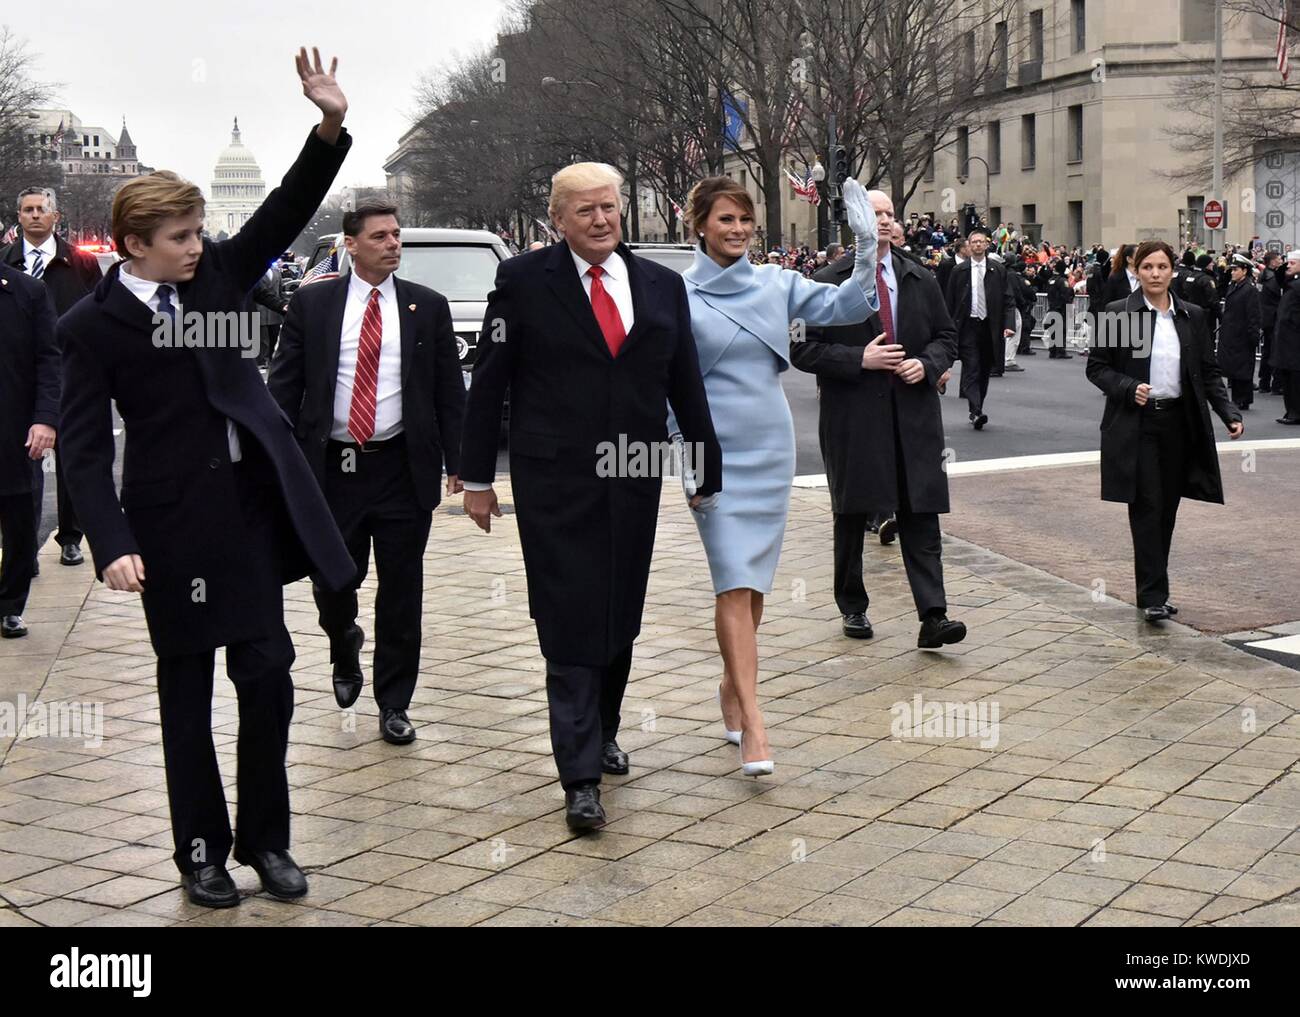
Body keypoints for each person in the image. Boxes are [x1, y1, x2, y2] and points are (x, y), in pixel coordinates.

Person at [57, 47, 356, 909]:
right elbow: (82, 449)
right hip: (169, 529)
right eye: (180, 238)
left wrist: (328, 125)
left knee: (267, 677)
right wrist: (110, 543)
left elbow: (284, 209)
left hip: (250, 514)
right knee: (187, 696)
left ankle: (270, 841)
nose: (198, 246)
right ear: (134, 246)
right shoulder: (93, 325)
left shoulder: (220, 274)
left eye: (198, 232)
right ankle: (201, 852)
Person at [457, 162, 721, 831]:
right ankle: (578, 777)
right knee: (570, 617)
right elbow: (490, 381)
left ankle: (602, 727)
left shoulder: (660, 285)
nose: (601, 220)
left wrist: (702, 460)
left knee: (618, 611)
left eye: (609, 207)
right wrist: (478, 478)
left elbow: (683, 379)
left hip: (633, 474)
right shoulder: (522, 283)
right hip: (554, 481)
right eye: (585, 212)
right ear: (558, 219)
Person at [674, 174, 882, 777]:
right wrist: (683, 453)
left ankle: (732, 689)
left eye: (745, 221)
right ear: (700, 226)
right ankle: (756, 722)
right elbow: (666, 385)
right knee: (732, 581)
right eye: (725, 220)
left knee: (753, 585)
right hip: (711, 450)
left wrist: (867, 249)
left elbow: (845, 304)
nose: (737, 231)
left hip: (770, 445)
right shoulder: (678, 295)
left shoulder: (775, 282)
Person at [268, 199, 466, 744]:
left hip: (401, 468)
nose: (392, 244)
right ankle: (342, 640)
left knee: (402, 590)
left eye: (396, 235)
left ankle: (395, 703)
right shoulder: (314, 305)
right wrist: (272, 457)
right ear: (350, 244)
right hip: (332, 469)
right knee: (334, 578)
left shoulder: (427, 306)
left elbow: (449, 391)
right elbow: (284, 386)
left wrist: (462, 465)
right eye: (380, 236)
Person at [791, 188, 966, 653]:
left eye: (889, 213)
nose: (884, 221)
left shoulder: (919, 276)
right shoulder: (827, 279)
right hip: (855, 414)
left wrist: (926, 365)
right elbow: (801, 348)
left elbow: (947, 336)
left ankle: (934, 615)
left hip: (913, 414)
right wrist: (858, 359)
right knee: (852, 511)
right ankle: (852, 604)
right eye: (874, 214)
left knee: (920, 511)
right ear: (857, 221)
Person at [1086, 239, 1243, 623]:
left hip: (1179, 423)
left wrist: (1228, 412)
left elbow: (1207, 371)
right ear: (1136, 271)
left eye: (1162, 267)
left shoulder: (1191, 315)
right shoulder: (1118, 313)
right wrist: (1128, 388)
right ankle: (1152, 595)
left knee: (1167, 509)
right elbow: (1097, 368)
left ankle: (1157, 589)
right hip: (1137, 424)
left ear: (1173, 271)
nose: (1155, 274)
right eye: (1147, 268)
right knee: (1147, 507)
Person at [1, 187, 100, 568]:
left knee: (71, 458)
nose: (35, 216)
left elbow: (96, 313)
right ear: (19, 217)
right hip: (21, 379)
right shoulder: (6, 263)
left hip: (72, 374)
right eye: (27, 210)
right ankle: (23, 549)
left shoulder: (80, 263)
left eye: (42, 209)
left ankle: (70, 536)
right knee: (24, 465)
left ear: (55, 216)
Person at [0, 262, 58, 638]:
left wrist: (46, 419)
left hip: (15, 430)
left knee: (20, 524)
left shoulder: (27, 291)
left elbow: (50, 359)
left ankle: (9, 606)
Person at [945, 226, 1016, 429]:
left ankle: (976, 406)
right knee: (972, 367)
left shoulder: (998, 270)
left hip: (989, 326)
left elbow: (1008, 299)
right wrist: (947, 329)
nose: (977, 245)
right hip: (967, 326)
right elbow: (949, 301)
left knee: (985, 369)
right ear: (968, 245)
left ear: (987, 244)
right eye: (973, 242)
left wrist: (1008, 324)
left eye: (981, 241)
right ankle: (976, 411)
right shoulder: (959, 271)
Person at [1217, 253, 1261, 410]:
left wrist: (1253, 336)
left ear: (1244, 270)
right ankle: (1237, 397)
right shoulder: (1234, 286)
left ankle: (1243, 398)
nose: (1232, 272)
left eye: (1235, 269)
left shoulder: (1249, 290)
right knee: (1234, 368)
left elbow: (1253, 315)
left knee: (1243, 368)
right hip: (1232, 333)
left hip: (1243, 334)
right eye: (1232, 269)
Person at [1271, 250, 1300, 423]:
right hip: (1286, 339)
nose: (1288, 267)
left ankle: (1296, 413)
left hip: (1295, 340)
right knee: (1287, 379)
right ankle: (1290, 412)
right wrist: (1287, 265)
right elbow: (1279, 277)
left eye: (1292, 264)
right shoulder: (1291, 283)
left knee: (1295, 381)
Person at [1257, 251, 1283, 394]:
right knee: (1274, 351)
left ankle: (1264, 382)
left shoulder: (1263, 276)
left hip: (1266, 318)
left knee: (1267, 350)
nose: (1281, 261)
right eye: (1279, 259)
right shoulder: (1273, 279)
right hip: (1273, 318)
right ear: (1272, 261)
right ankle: (1275, 383)